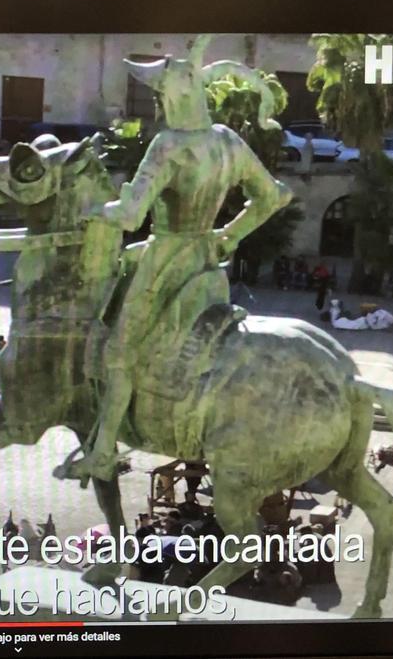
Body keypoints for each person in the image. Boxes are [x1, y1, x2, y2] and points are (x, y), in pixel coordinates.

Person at [69, 36, 291, 483]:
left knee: (118, 353)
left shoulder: (169, 145)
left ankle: (102, 450)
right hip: (207, 262)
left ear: (170, 93)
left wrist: (93, 211)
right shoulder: (228, 142)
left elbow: (131, 217)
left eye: (159, 92)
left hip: (166, 261)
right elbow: (275, 196)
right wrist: (228, 237)